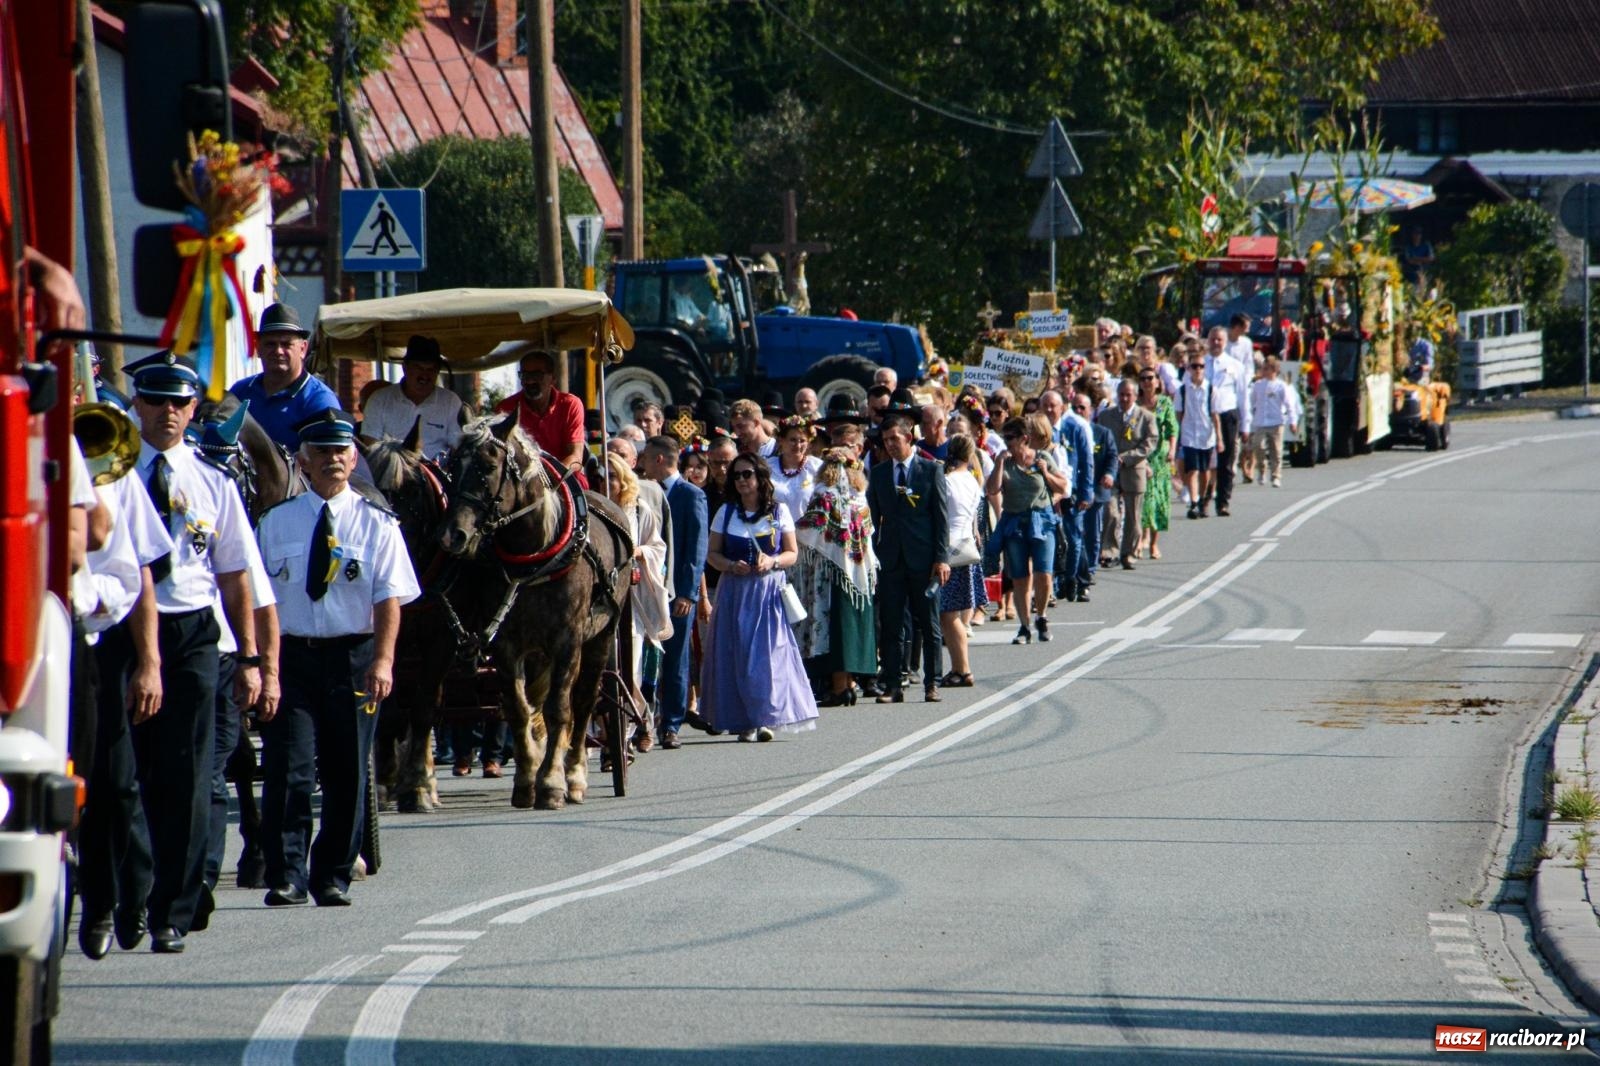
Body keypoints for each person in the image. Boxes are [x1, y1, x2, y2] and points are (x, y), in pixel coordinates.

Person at [127, 351, 265, 953]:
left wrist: (254, 659)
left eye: (179, 403)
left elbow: (235, 573)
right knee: (124, 776)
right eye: (154, 401)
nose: (167, 413)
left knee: (187, 774)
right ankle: (129, 895)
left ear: (192, 410)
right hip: (120, 629)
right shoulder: (113, 471)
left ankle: (172, 911)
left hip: (191, 632)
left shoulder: (213, 480)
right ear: (137, 405)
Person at [255, 410, 417, 909]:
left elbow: (389, 597)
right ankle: (286, 873)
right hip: (293, 658)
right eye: (322, 452)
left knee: (347, 770)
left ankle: (333, 874)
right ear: (303, 460)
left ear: (354, 457)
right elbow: (261, 601)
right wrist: (266, 668)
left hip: (353, 657)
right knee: (290, 768)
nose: (333, 460)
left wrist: (384, 661)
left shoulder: (377, 523)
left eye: (341, 451)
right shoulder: (276, 521)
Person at [75, 421, 172, 960]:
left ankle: (126, 898)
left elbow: (136, 575)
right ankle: (92, 902)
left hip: (97, 637)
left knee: (116, 782)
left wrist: (150, 662)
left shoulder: (113, 472)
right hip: (36, 631)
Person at [702, 455, 818, 740]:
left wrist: (773, 561)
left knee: (768, 655)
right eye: (737, 476)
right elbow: (712, 554)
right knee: (736, 654)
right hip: (735, 592)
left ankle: (765, 717)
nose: (741, 480)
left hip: (767, 590)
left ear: (760, 477)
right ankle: (744, 721)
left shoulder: (778, 512)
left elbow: (792, 553)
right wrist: (729, 565)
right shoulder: (726, 512)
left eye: (747, 474)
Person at [866, 394, 950, 703]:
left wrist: (942, 558)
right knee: (891, 624)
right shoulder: (878, 474)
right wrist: (875, 551)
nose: (889, 444)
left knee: (928, 624)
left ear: (909, 437)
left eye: (894, 438)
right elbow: (874, 517)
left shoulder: (930, 471)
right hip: (891, 559)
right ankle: (893, 684)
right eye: (885, 439)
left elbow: (942, 518)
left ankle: (932, 682)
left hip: (924, 558)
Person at [793, 449, 878, 706]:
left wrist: (789, 531)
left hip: (829, 572)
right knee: (850, 624)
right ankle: (849, 683)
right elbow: (867, 531)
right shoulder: (860, 498)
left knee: (835, 625)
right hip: (858, 571)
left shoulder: (824, 495)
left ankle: (840, 687)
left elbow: (810, 529)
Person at [639, 436, 707, 749]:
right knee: (646, 657)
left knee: (676, 658)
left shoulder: (690, 495)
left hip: (677, 593)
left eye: (645, 458)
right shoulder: (643, 493)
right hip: (649, 588)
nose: (640, 464)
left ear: (660, 460)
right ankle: (643, 722)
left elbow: (696, 549)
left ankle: (671, 724)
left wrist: (688, 594)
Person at [986, 416, 1065, 644]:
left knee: (1044, 573)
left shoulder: (1042, 458)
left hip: (1042, 520)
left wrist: (1046, 473)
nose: (1006, 442)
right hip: (1015, 523)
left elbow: (1063, 486)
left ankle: (1041, 617)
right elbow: (992, 489)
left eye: (1010, 438)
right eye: (1004, 437)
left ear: (1025, 439)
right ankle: (1024, 626)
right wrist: (1000, 462)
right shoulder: (1005, 462)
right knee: (1020, 577)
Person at [229, 303, 340, 450]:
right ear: (258, 349)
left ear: (303, 349)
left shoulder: (320, 401)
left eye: (286, 344)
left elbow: (330, 460)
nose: (278, 351)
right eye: (270, 344)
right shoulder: (240, 392)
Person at [359, 335, 465, 461]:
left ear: (437, 371)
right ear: (405, 368)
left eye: (430, 369)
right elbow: (372, 447)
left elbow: (458, 448)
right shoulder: (380, 400)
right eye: (419, 368)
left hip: (438, 475)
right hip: (392, 473)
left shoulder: (451, 402)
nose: (425, 375)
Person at [936, 436, 986, 685]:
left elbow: (942, 517)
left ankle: (962, 668)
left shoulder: (947, 481)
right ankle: (960, 667)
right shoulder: (973, 480)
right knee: (953, 614)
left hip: (949, 550)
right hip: (965, 549)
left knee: (948, 614)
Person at [1097, 380, 1159, 570]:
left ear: (1135, 395)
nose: (1124, 398)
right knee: (1111, 511)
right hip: (1112, 472)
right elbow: (1100, 439)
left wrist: (1127, 457)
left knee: (1133, 516)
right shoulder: (1106, 416)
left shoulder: (1146, 416)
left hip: (1134, 470)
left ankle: (1129, 553)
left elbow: (1150, 442)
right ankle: (1109, 551)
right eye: (1121, 394)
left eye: (1128, 395)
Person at [494, 351, 586, 477]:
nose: (530, 381)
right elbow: (497, 454)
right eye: (525, 375)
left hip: (562, 477)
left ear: (553, 378)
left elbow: (575, 457)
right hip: (520, 479)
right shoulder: (506, 408)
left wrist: (549, 478)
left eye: (537, 375)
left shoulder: (570, 404)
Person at [1076, 389, 1118, 598]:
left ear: (1091, 411)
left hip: (1096, 492)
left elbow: (1111, 456)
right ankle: (1074, 574)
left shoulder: (1102, 432)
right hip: (1074, 494)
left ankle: (1089, 570)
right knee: (1075, 535)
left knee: (1092, 535)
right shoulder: (1069, 431)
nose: (1078, 411)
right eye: (1075, 408)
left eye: (1082, 408)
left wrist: (1110, 474)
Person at [1203, 325, 1249, 517]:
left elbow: (1243, 396)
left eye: (1219, 340)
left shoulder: (1235, 365)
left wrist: (1246, 424)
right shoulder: (1200, 364)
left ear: (1225, 342)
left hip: (1227, 415)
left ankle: (1222, 502)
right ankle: (1202, 501)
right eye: (1212, 339)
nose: (1215, 343)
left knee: (1226, 462)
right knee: (1205, 460)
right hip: (1204, 415)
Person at [1136, 363, 1179, 560]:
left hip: (1160, 458)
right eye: (1143, 379)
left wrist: (1171, 449)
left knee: (1159, 500)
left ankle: (1154, 543)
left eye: (1150, 378)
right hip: (1141, 456)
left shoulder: (1164, 403)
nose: (1147, 382)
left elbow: (1172, 429)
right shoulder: (1135, 404)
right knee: (1142, 499)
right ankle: (1140, 538)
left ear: (1157, 381)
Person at [1176, 351, 1222, 519]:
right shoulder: (1182, 390)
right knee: (1193, 469)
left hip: (1206, 435)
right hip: (1189, 435)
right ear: (1188, 368)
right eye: (1194, 366)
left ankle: (1203, 499)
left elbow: (1215, 415)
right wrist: (1179, 435)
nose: (1197, 369)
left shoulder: (1211, 389)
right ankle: (1194, 502)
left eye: (1201, 366)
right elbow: (1179, 414)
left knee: (1205, 471)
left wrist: (1219, 438)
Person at [1247, 356, 1299, 488]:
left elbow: (1289, 405)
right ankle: (1262, 470)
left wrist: (1293, 422)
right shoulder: (1257, 385)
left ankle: (1276, 476)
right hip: (1260, 422)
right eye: (1263, 369)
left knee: (1276, 450)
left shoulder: (1281, 386)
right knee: (1258, 446)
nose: (1263, 371)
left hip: (1276, 422)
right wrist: (1251, 417)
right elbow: (1251, 403)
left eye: (1266, 369)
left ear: (1274, 370)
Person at [767, 415, 823, 526]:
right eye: (792, 440)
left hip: (807, 535)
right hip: (776, 532)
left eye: (802, 441)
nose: (798, 445)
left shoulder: (817, 467)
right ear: (781, 441)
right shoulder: (768, 466)